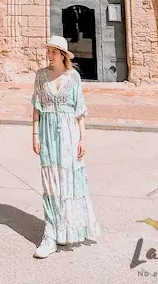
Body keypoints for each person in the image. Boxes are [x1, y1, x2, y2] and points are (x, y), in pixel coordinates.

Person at [31, 35, 101, 258]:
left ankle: (68, 228)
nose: (49, 55)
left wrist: (83, 138)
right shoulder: (40, 76)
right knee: (51, 184)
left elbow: (79, 108)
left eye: (53, 51)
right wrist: (34, 134)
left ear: (63, 55)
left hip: (70, 134)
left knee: (69, 182)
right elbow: (36, 107)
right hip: (48, 133)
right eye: (48, 51)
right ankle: (50, 234)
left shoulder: (73, 77)